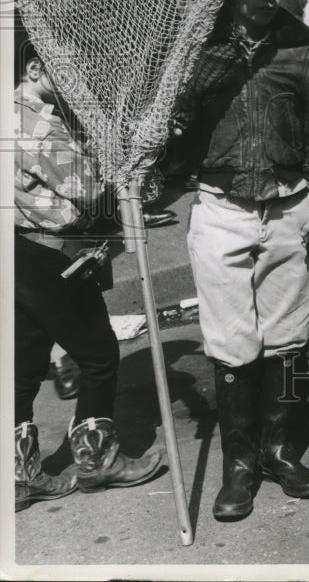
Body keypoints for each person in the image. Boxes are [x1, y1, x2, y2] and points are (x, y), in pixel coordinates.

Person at [170, 0, 309, 521]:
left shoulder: (300, 44)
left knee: (286, 335)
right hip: (221, 210)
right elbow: (170, 127)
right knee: (231, 343)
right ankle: (238, 467)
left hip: (289, 207)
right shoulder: (196, 48)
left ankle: (277, 451)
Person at [14, 36, 162, 512]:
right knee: (98, 355)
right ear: (35, 68)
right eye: (67, 71)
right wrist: (124, 166)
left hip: (16, 249)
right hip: (52, 255)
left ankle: (19, 475)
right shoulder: (42, 130)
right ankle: (99, 461)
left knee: (23, 367)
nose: (78, 83)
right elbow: (89, 193)